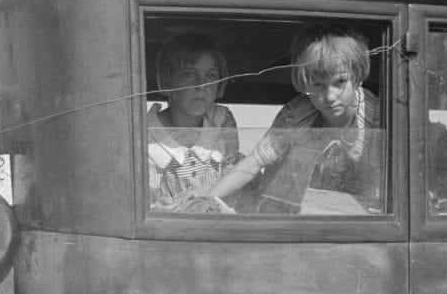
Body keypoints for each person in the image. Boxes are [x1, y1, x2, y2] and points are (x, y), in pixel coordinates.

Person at [207, 22, 381, 210]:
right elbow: (254, 163)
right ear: (304, 83)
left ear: (357, 76)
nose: (330, 96)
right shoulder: (297, 115)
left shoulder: (377, 117)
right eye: (318, 85)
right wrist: (205, 200)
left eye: (340, 82)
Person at [147, 32, 239, 210]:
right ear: (167, 81)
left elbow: (235, 187)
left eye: (211, 76)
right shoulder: (145, 139)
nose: (201, 85)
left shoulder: (221, 126)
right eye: (189, 74)